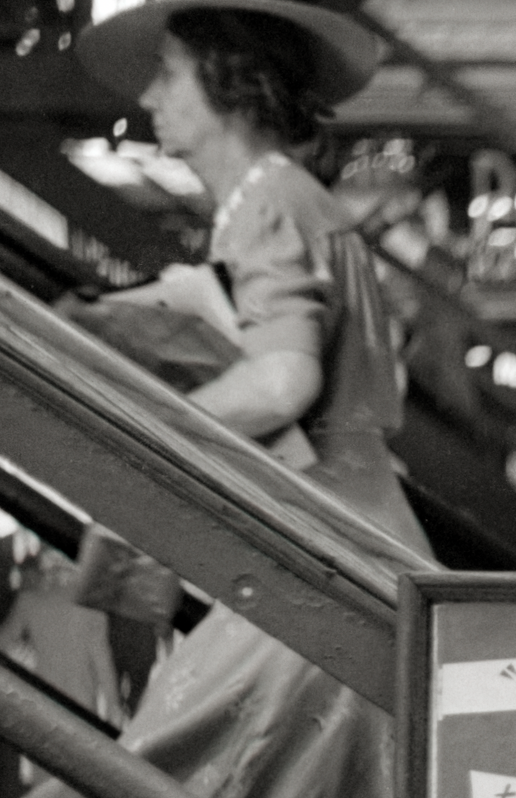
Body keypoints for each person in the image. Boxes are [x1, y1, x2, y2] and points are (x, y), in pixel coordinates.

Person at [30, 2, 437, 796]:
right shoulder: (287, 199)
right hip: (353, 548)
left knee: (145, 771)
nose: (151, 99)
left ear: (231, 83)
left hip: (320, 553)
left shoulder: (268, 203)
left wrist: (149, 431)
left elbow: (285, 380)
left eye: (171, 74)